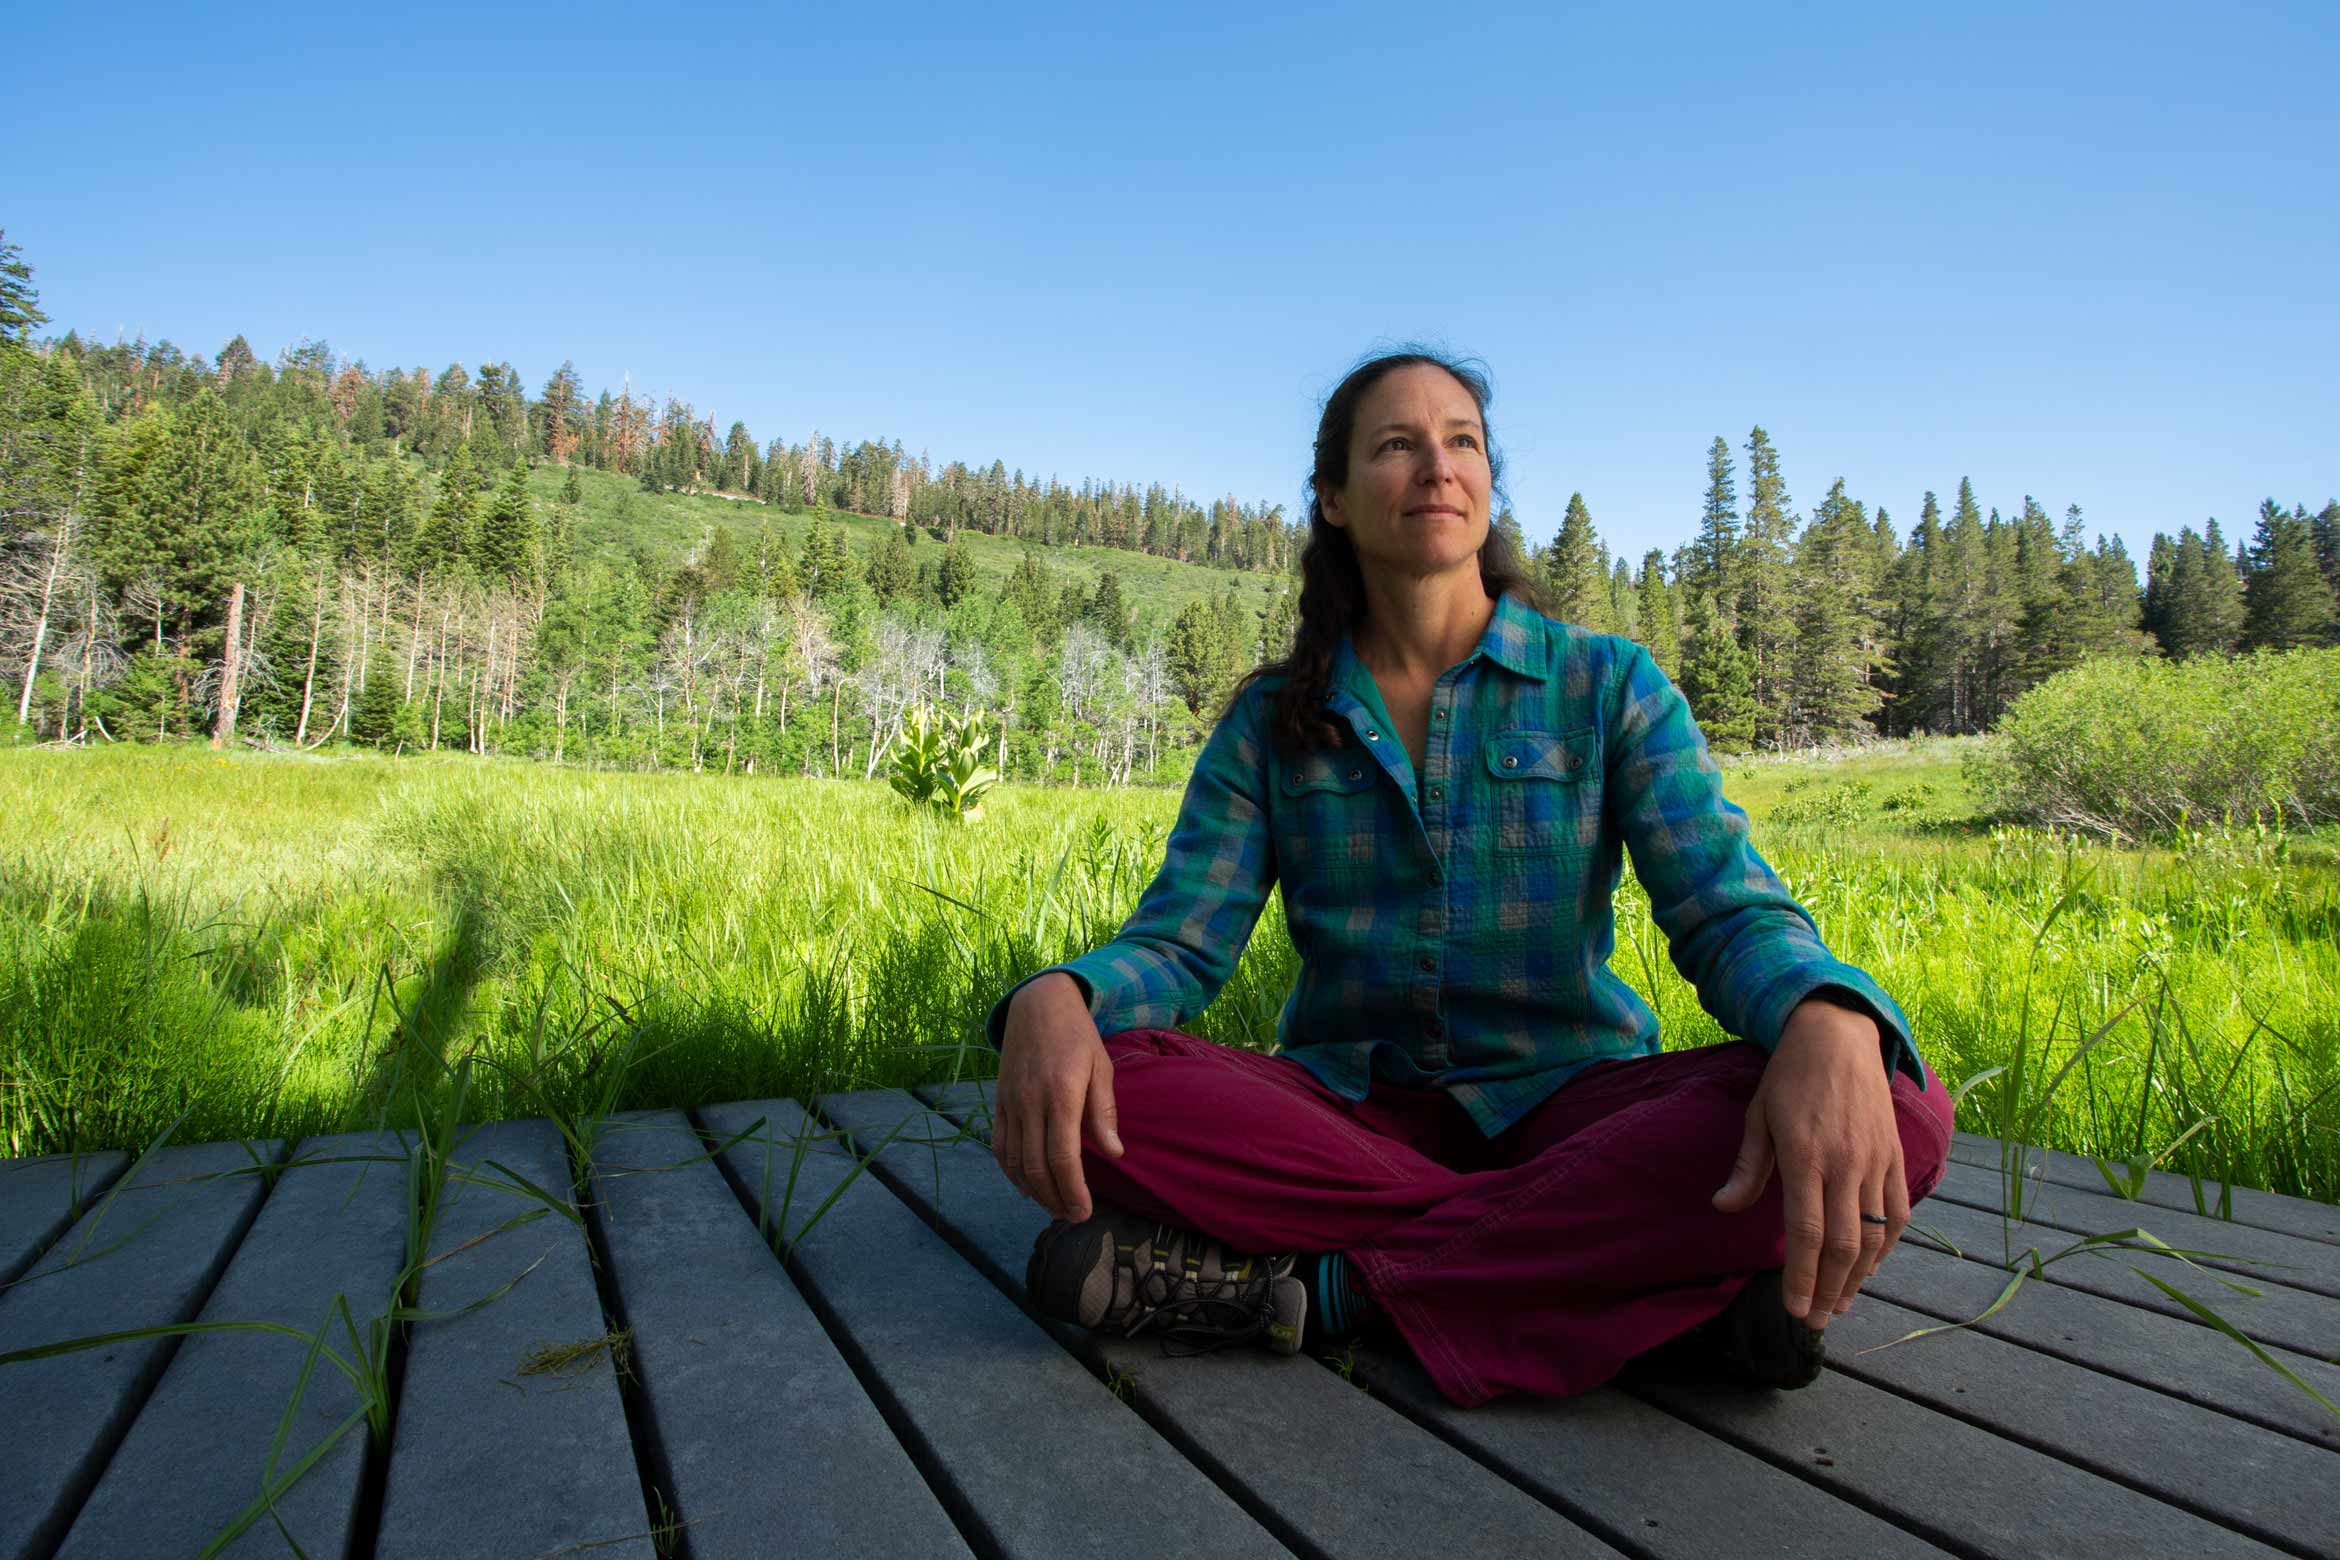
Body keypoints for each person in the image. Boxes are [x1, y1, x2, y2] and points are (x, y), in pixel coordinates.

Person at [985, 349, 1955, 1408]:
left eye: (1462, 442)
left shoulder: (1607, 685)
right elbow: (1179, 943)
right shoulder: (1273, 723)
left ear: (1489, 485)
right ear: (1335, 499)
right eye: (1396, 444)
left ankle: (1336, 1291)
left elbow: (1727, 908)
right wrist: (1061, 995)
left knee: (1897, 1101)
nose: (1437, 467)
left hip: (1578, 1106)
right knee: (1110, 1087)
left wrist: (1823, 1014)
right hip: (1351, 1115)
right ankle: (1628, 1276)